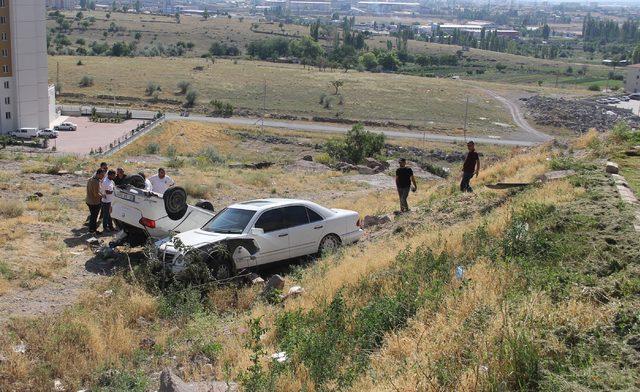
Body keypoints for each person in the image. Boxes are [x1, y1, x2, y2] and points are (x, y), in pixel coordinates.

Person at [86, 169, 105, 233]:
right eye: (102, 175)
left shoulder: (90, 179)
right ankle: (92, 230)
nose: (103, 176)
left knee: (92, 216)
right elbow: (96, 194)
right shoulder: (96, 182)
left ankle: (92, 229)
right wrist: (103, 196)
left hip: (89, 200)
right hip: (94, 202)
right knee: (94, 217)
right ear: (98, 174)